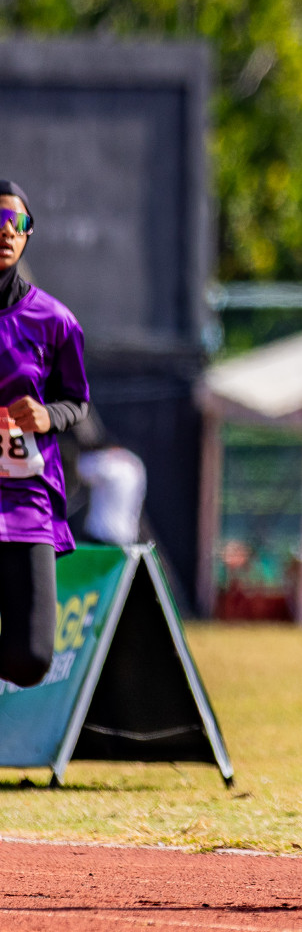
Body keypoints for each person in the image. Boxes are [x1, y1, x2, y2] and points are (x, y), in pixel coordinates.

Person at [0, 179, 90, 689]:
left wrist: (47, 416)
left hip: (27, 500)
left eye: (19, 225)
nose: (7, 233)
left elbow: (77, 402)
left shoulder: (55, 321)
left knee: (32, 658)